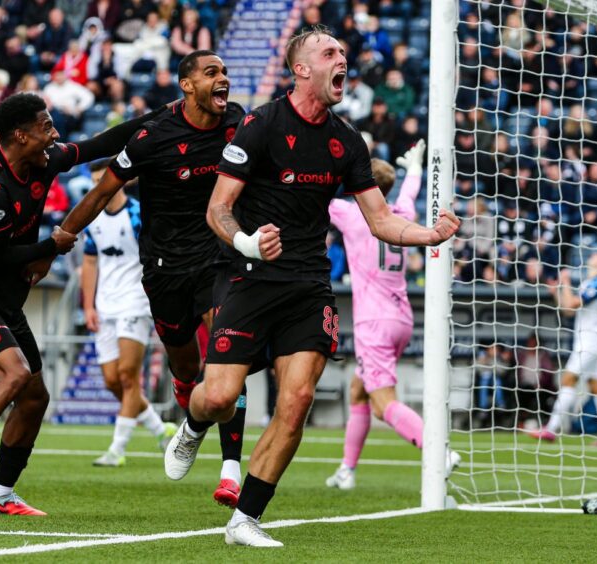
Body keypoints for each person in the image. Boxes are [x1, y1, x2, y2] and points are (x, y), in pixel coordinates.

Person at [164, 27, 460, 547]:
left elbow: (382, 220)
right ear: (301, 69)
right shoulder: (259, 125)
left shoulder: (347, 141)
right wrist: (249, 243)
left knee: (297, 398)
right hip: (249, 276)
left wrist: (428, 235)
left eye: (343, 53)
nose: (341, 59)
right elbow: (217, 209)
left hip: (308, 284)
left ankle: (246, 520)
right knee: (219, 397)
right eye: (329, 53)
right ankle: (192, 427)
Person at [0, 92, 168, 515]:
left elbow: (98, 145)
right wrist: (49, 246)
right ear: (21, 135)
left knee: (35, 398)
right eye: (46, 126)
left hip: (2, 302)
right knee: (15, 374)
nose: (54, 134)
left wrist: (161, 118)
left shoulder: (44, 158)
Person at [58, 50, 249, 508]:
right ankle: (192, 421)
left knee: (227, 353)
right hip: (163, 271)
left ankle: (230, 470)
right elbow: (103, 189)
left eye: (225, 71)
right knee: (186, 369)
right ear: (187, 85)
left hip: (218, 258)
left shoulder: (237, 122)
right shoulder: (152, 138)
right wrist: (59, 238)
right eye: (212, 72)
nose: (223, 78)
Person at [324, 142, 462, 490]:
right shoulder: (399, 212)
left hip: (374, 322)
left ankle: (438, 452)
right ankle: (347, 470)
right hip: (401, 319)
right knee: (359, 391)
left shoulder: (352, 213)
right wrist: (413, 167)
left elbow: (316, 194)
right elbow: (411, 188)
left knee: (384, 403)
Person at [81, 162, 177, 467]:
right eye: (95, 182)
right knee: (112, 380)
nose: (101, 187)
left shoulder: (137, 214)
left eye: (103, 180)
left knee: (128, 376)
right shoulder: (91, 218)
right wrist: (88, 305)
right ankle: (161, 429)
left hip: (135, 302)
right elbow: (90, 263)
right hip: (105, 305)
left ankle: (117, 449)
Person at [529, 251, 597, 446]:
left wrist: (566, 281)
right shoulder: (590, 283)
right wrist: (558, 291)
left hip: (591, 341)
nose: (595, 255)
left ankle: (551, 429)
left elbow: (571, 304)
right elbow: (568, 310)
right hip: (587, 340)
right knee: (596, 386)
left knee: (568, 379)